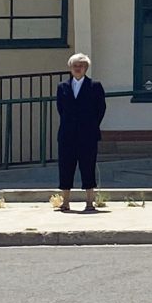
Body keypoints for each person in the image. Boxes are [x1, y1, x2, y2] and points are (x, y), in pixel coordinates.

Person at [53, 53, 106, 212]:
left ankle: (90, 202)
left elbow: (100, 109)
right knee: (66, 166)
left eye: (81, 66)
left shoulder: (95, 86)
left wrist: (90, 126)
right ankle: (65, 202)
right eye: (75, 65)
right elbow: (60, 109)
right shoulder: (62, 86)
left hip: (87, 134)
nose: (78, 68)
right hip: (67, 134)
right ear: (70, 68)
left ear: (86, 68)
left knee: (88, 166)